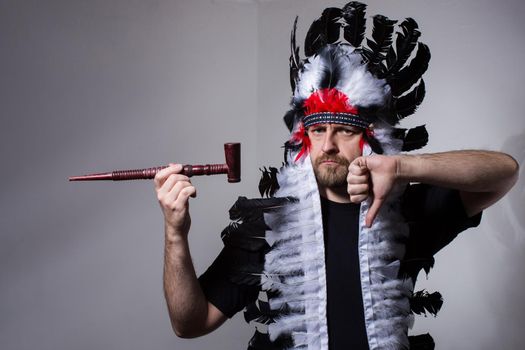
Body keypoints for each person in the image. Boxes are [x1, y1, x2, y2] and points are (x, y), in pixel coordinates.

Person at [154, 3, 519, 350]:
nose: (327, 144)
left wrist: (402, 166)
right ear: (303, 138)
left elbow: (504, 173)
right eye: (317, 130)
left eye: (344, 129)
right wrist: (175, 233)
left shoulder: (404, 213)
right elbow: (190, 323)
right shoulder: (271, 227)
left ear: (371, 137)